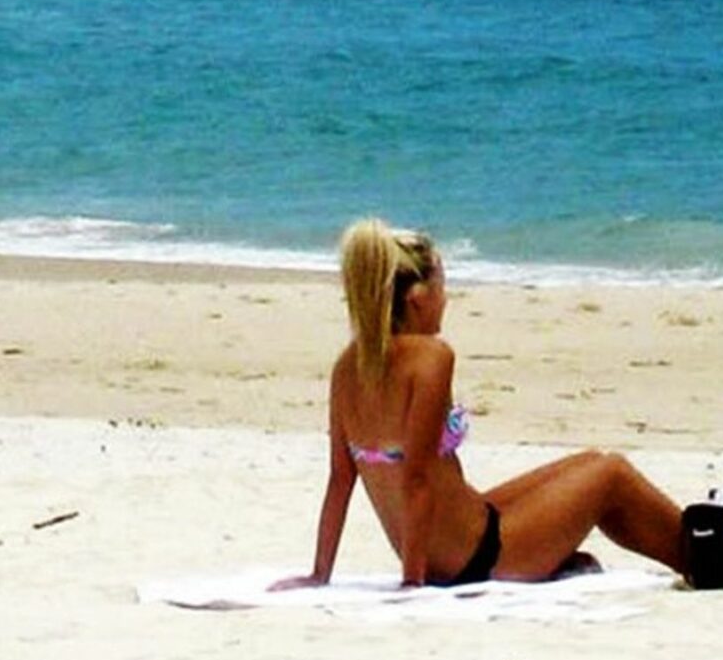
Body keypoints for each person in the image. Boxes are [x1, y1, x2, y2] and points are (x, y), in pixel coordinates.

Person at [276, 218, 688, 588]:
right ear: (417, 297)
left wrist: (319, 574)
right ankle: (711, 557)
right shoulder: (431, 357)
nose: (446, 298)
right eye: (442, 286)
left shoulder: (349, 367)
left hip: (452, 540)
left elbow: (340, 480)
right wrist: (412, 583)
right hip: (475, 558)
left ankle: (655, 554)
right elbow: (415, 478)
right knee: (610, 473)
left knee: (589, 462)